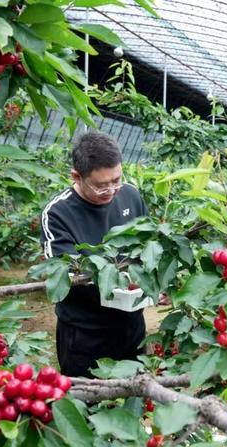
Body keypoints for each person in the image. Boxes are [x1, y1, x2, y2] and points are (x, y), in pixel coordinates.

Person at [40, 131, 148, 377]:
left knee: (133, 402)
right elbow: (63, 274)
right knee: (86, 407)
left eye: (117, 180)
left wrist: (155, 283)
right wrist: (118, 281)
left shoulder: (130, 194)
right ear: (76, 177)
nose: (112, 190)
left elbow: (147, 246)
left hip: (131, 324)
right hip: (85, 333)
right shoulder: (58, 214)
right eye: (101, 185)